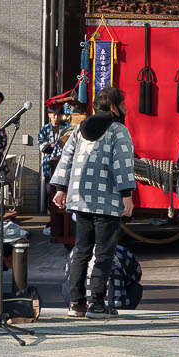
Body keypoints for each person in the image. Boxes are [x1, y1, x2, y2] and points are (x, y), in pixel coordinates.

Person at [50, 85, 137, 319]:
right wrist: (127, 194)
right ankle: (97, 304)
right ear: (113, 108)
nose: (125, 108)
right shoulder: (118, 130)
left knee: (82, 250)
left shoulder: (79, 129)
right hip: (106, 200)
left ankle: (76, 303)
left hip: (80, 199)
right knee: (104, 252)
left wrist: (60, 188)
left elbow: (66, 158)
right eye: (122, 104)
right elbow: (122, 163)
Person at [67, 241, 143, 312]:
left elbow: (68, 274)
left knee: (67, 284)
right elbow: (136, 275)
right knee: (136, 286)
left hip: (85, 303)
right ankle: (107, 304)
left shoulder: (77, 251)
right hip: (117, 304)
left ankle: (76, 306)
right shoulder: (120, 250)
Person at [38, 103, 67, 189]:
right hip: (49, 161)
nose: (56, 117)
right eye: (54, 115)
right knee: (49, 187)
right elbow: (41, 145)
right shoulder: (44, 129)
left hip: (63, 160)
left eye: (58, 115)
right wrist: (53, 145)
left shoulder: (66, 127)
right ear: (49, 115)